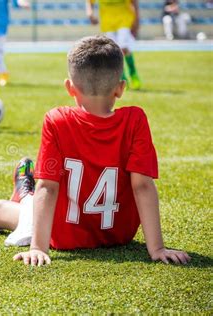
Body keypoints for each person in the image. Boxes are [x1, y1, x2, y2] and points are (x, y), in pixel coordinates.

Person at [10, 36, 190, 266]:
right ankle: (23, 195)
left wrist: (38, 247)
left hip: (63, 234)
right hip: (118, 233)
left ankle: (20, 196)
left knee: (26, 213)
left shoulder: (57, 120)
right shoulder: (135, 120)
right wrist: (157, 248)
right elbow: (143, 185)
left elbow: (48, 187)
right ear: (121, 88)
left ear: (70, 88)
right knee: (27, 212)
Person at [86, 0, 142, 90]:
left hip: (124, 19)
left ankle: (133, 73)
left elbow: (134, 1)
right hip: (107, 22)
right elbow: (90, 2)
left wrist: (137, 19)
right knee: (114, 51)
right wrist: (90, 14)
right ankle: (122, 78)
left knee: (123, 48)